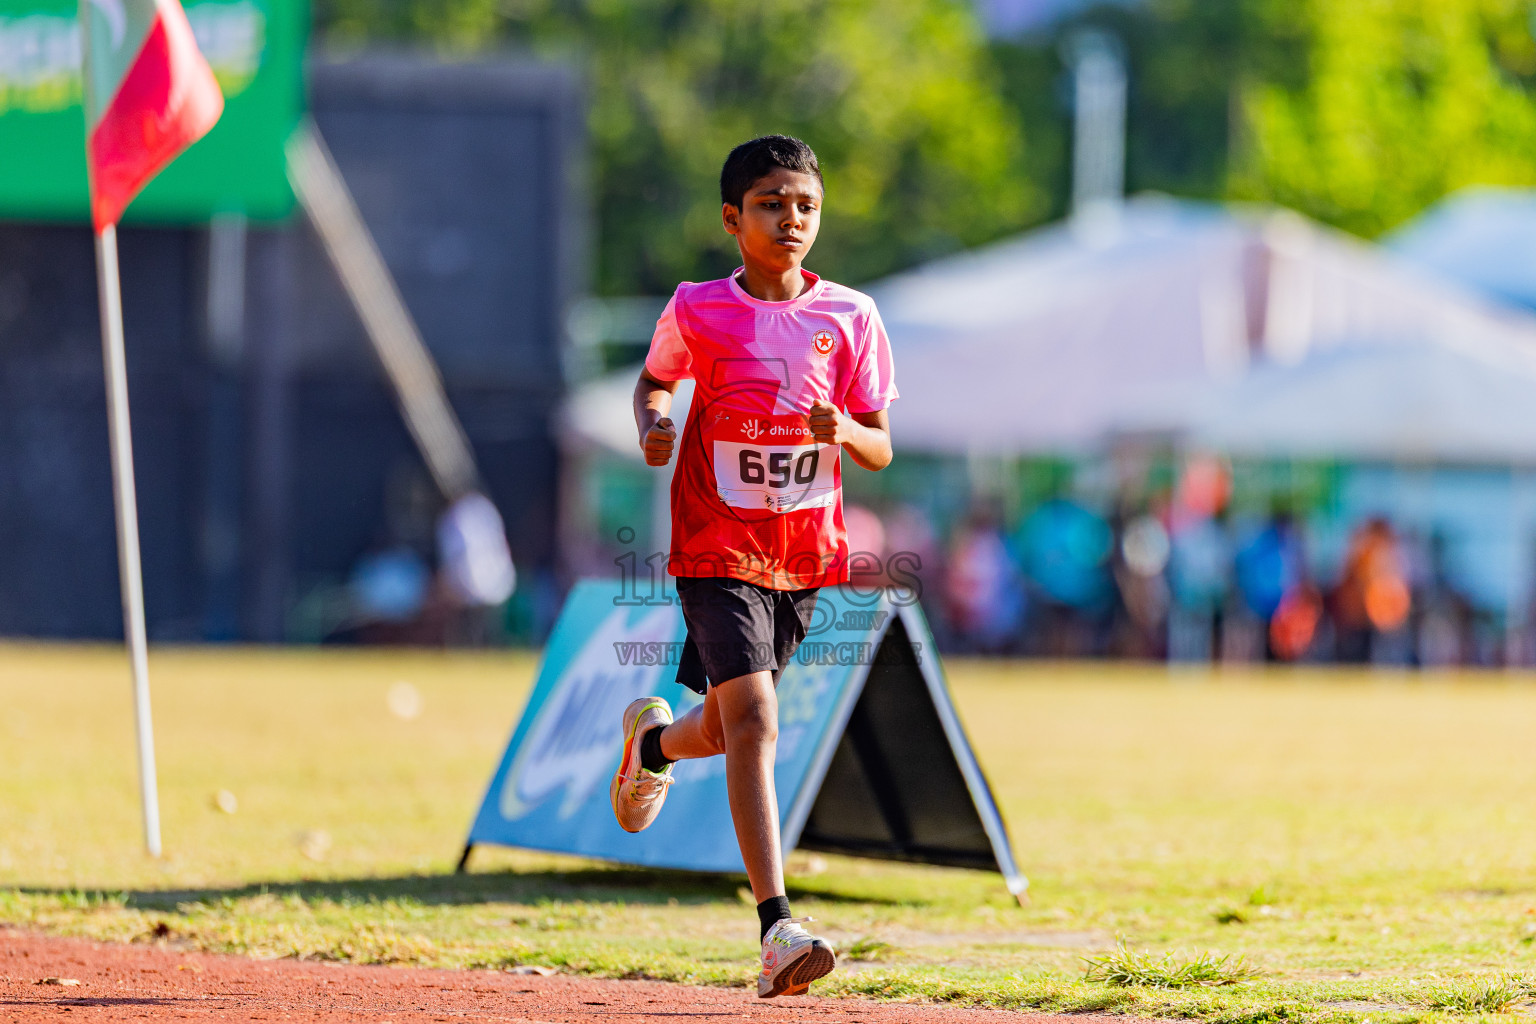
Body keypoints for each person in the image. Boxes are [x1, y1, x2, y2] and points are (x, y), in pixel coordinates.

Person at [610, 136, 897, 998]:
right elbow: (655, 382)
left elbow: (880, 446)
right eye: (772, 204)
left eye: (805, 204)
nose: (792, 219)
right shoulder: (698, 308)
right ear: (734, 219)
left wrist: (842, 430)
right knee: (758, 720)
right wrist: (655, 423)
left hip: (802, 553)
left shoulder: (851, 317)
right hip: (714, 543)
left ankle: (652, 744)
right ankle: (777, 928)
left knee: (730, 723)